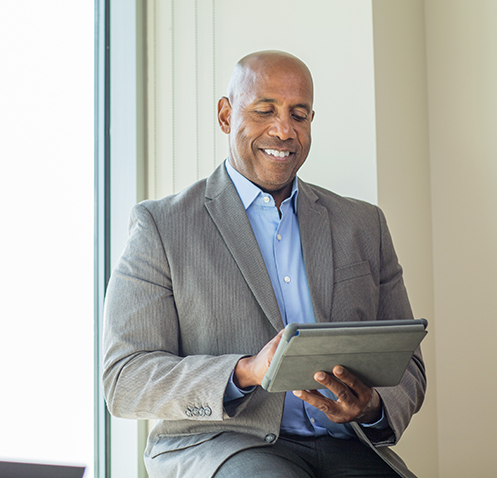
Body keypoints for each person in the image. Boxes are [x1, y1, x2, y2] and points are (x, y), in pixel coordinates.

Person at [101, 50, 425, 478]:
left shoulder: (364, 225)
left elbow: (409, 365)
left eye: (299, 114)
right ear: (224, 115)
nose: (284, 130)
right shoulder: (161, 226)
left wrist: (370, 405)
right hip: (227, 444)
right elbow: (125, 377)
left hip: (351, 446)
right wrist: (244, 372)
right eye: (265, 110)